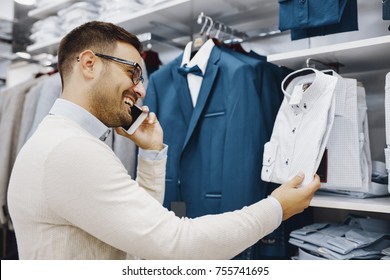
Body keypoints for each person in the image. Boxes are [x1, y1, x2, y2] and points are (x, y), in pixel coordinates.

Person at [7, 21, 320, 260]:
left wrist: (152, 154)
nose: (141, 90)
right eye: (132, 73)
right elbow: (175, 244)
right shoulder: (70, 151)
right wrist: (276, 208)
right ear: (89, 64)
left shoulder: (62, 140)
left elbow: (141, 232)